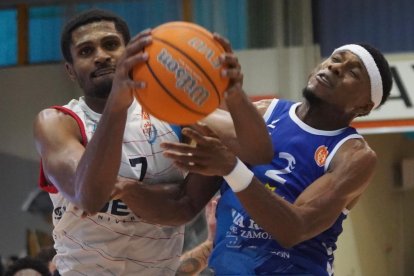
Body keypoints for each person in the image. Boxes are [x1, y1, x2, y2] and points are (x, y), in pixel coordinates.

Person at [33, 8, 272, 276]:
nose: (101, 56)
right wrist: (117, 106)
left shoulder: (171, 109)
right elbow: (90, 196)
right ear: (71, 70)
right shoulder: (57, 122)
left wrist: (234, 94)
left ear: (131, 53)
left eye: (111, 45)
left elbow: (259, 151)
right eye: (86, 52)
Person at [161, 43, 393, 275]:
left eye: (353, 72)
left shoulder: (353, 155)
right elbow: (198, 119)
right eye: (335, 58)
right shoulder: (264, 113)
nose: (335, 68)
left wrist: (232, 169)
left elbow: (294, 229)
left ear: (364, 106)